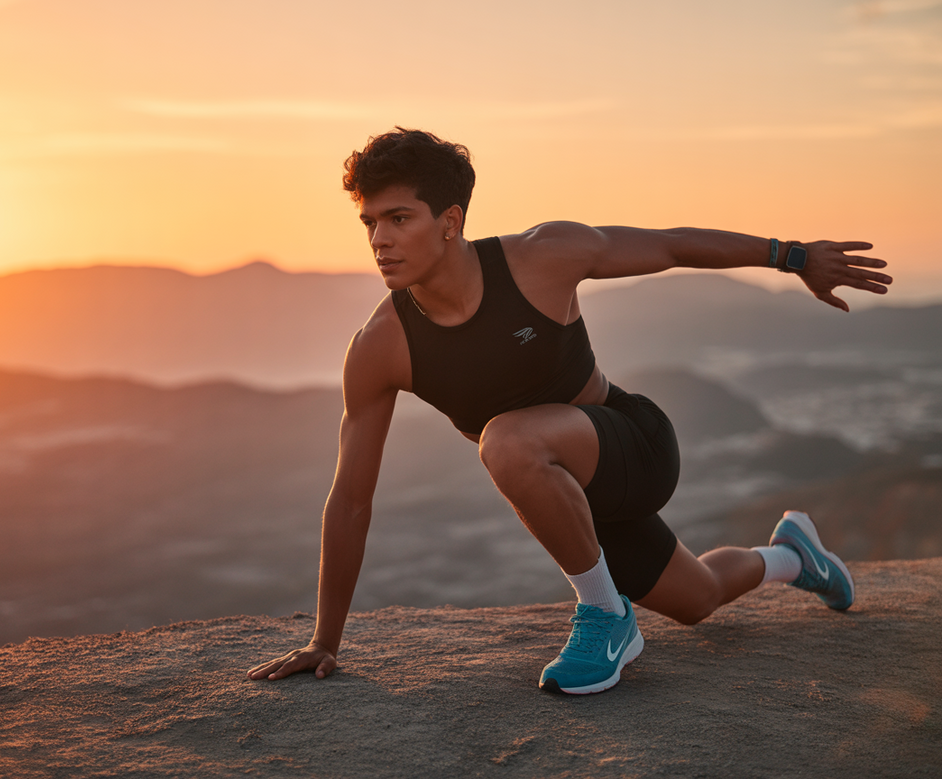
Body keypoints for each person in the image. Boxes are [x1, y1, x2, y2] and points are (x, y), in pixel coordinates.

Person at [248, 128, 892, 694]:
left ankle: (607, 619)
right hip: (574, 497)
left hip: (632, 445)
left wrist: (794, 255)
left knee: (504, 440)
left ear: (449, 220)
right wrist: (325, 640)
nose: (380, 240)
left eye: (398, 219)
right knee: (698, 598)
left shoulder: (539, 258)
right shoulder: (379, 347)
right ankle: (792, 556)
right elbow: (351, 498)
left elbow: (669, 247)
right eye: (370, 224)